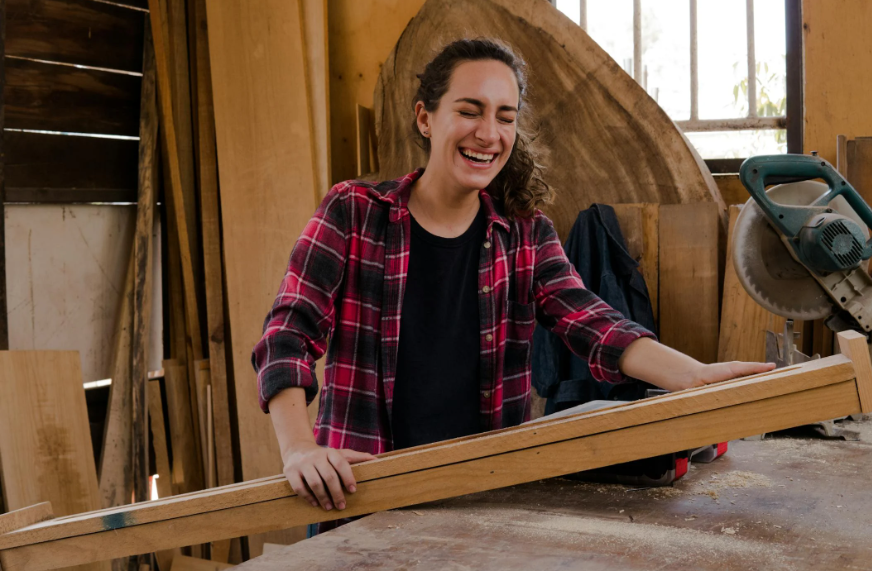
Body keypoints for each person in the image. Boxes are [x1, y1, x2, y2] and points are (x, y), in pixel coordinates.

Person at [252, 38, 774, 525]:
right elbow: (287, 334)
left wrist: (693, 376)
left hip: (485, 501)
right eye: (469, 110)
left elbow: (593, 322)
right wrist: (299, 448)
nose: (489, 133)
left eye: (505, 117)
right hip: (361, 497)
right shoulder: (353, 213)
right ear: (426, 118)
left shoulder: (524, 234)